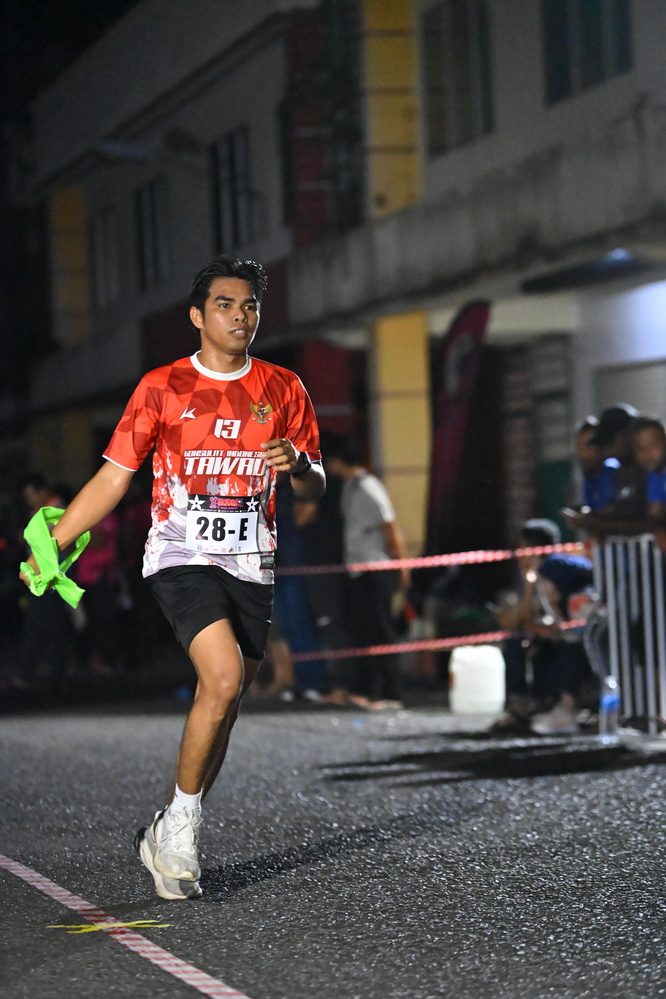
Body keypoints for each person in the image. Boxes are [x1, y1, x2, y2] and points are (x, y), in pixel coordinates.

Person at [20, 256, 324, 901]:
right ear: (197, 316)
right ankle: (183, 828)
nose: (240, 317)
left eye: (249, 306)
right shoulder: (162, 387)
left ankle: (167, 825)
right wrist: (54, 542)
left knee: (226, 701)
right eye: (225, 305)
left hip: (252, 560)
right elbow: (114, 477)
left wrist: (299, 464)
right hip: (181, 555)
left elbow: (315, 484)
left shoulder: (284, 387)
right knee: (222, 677)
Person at [324, 434, 409, 710]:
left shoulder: (369, 487)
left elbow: (391, 529)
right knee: (362, 631)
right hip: (358, 570)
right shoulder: (350, 487)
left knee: (381, 631)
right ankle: (365, 690)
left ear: (337, 460)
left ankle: (391, 693)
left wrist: (401, 567)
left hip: (376, 569)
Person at [491, 519, 595, 735]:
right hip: (578, 632)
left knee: (522, 643)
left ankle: (535, 707)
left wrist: (529, 583)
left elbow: (545, 613)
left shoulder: (552, 567)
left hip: (585, 635)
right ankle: (532, 706)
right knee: (527, 643)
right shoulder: (555, 564)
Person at [564, 404, 649, 538]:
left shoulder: (649, 467)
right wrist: (592, 518)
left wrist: (598, 523)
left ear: (627, 434)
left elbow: (651, 521)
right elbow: (623, 511)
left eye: (610, 441)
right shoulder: (623, 470)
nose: (608, 450)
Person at [632, 415, 666, 551]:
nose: (647, 453)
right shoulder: (653, 476)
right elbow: (654, 513)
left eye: (653, 446)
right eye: (640, 449)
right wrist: (658, 531)